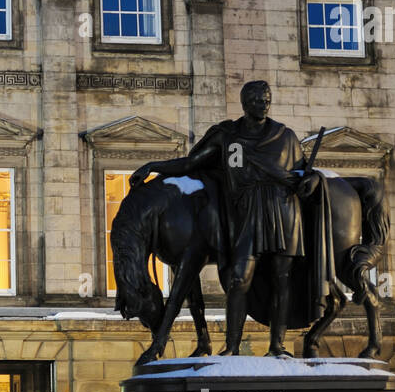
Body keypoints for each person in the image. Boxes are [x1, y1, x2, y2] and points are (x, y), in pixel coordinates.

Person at [131, 80, 320, 356]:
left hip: (282, 211)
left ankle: (277, 346)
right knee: (238, 280)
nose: (263, 104)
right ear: (245, 104)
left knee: (282, 279)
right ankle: (231, 347)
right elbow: (189, 164)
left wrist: (312, 181)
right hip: (247, 214)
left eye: (267, 100)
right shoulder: (227, 135)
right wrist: (153, 166)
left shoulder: (285, 136)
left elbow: (304, 172)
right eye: (257, 100)